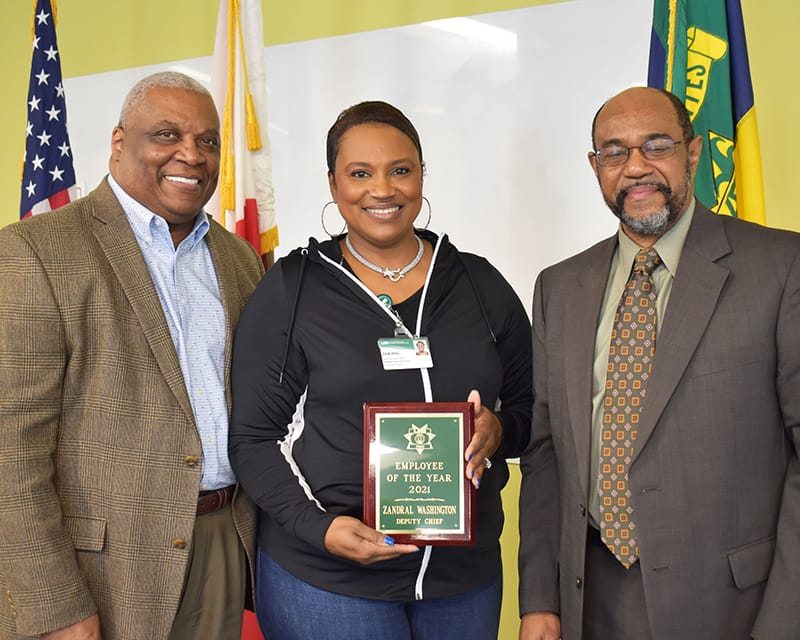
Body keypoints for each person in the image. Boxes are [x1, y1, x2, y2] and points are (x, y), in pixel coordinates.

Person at [229, 100, 532, 640]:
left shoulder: (479, 285)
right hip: (327, 578)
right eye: (360, 173)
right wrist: (318, 530)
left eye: (400, 170)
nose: (383, 190)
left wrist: (500, 429)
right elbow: (254, 438)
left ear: (421, 174)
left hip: (461, 581)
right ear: (332, 183)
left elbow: (532, 411)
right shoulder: (293, 290)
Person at [518, 86, 800, 640]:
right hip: (589, 598)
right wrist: (539, 600)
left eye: (656, 145)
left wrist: (785, 621)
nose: (636, 167)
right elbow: (546, 452)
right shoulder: (560, 287)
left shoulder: (781, 267)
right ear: (595, 166)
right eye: (615, 152)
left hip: (734, 605)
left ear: (692, 153)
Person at [0, 72, 264, 640]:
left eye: (208, 140)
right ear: (120, 142)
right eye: (166, 134)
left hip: (221, 540)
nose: (190, 155)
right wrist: (55, 607)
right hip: (97, 567)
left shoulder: (239, 258)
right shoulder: (35, 251)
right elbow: (9, 450)